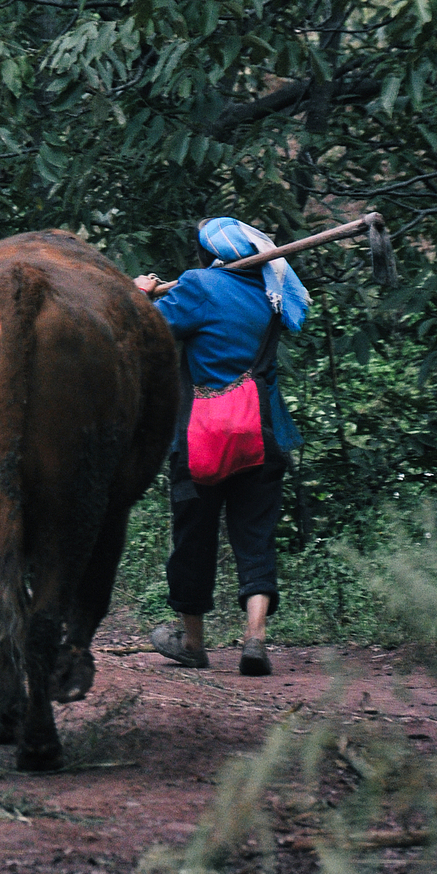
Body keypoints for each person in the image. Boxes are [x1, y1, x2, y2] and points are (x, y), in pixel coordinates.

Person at [134, 216, 309, 678]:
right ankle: (255, 639)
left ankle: (193, 644)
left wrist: (141, 294)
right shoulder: (272, 293)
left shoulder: (198, 284)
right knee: (256, 534)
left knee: (194, 536)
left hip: (200, 439)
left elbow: (148, 331)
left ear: (208, 252)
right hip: (262, 433)